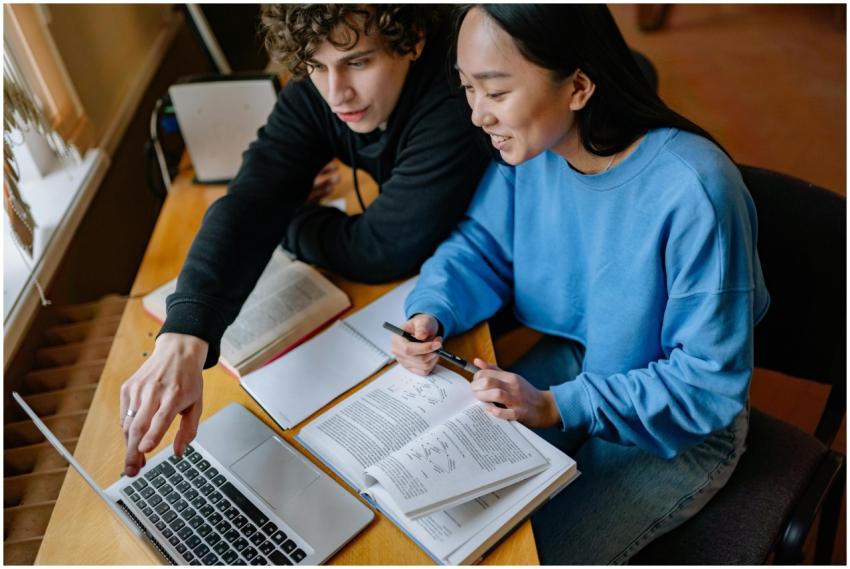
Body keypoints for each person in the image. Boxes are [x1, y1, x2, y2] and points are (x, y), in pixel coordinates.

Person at [391, 5, 769, 564]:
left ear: (579, 87)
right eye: (468, 88)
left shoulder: (696, 190)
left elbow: (706, 386)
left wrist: (555, 406)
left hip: (680, 428)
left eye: (495, 92)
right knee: (434, 507)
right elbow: (482, 247)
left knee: (528, 553)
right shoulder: (531, 151)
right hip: (579, 360)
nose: (476, 116)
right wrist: (433, 309)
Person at [119, 4, 490, 477]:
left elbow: (378, 249)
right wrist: (183, 336)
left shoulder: (453, 92)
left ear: (413, 39)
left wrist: (288, 213)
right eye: (316, 66)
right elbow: (250, 202)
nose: (337, 92)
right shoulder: (322, 92)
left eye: (358, 62)